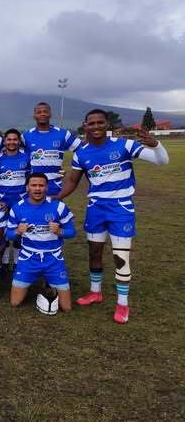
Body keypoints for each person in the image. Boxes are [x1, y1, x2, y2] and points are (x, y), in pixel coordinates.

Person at [56, 109, 169, 323]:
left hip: (121, 209)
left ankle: (122, 304)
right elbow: (72, 181)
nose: (96, 126)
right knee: (94, 253)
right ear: (85, 126)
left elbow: (162, 161)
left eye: (100, 122)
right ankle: (95, 292)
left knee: (120, 257)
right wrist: (56, 197)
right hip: (95, 208)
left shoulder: (124, 145)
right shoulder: (81, 153)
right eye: (91, 123)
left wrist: (156, 145)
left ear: (107, 124)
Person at [7, 173, 76, 312]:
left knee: (67, 307)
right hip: (28, 258)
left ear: (46, 187)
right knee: (15, 302)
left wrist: (60, 231)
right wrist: (17, 231)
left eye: (41, 185)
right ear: (27, 187)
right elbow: (9, 235)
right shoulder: (17, 207)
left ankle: (49, 283)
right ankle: (42, 283)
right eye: (34, 185)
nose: (37, 188)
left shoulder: (59, 206)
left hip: (53, 258)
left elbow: (72, 232)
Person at [21, 102, 81, 196]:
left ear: (50, 114)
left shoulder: (63, 134)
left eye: (45, 111)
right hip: (33, 186)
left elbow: (83, 150)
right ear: (34, 116)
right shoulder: (26, 136)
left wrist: (73, 170)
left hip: (55, 186)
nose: (42, 114)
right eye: (39, 112)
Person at [0, 129, 30, 268]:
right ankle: (3, 263)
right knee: (2, 234)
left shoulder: (26, 157)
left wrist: (26, 198)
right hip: (2, 202)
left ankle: (16, 263)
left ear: (19, 141)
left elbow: (30, 179)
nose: (12, 142)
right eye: (9, 139)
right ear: (4, 141)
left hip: (20, 202)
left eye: (15, 139)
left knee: (18, 233)